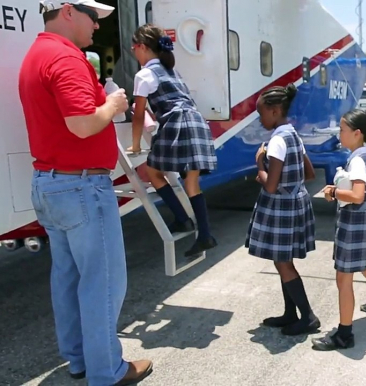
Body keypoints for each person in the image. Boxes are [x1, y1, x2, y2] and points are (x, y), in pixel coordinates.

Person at [19, 1, 152, 384]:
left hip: (49, 182)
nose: (97, 26)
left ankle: (79, 359)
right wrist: (112, 104)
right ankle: (107, 370)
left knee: (68, 277)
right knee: (103, 280)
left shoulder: (37, 54)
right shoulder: (66, 58)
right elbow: (81, 124)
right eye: (93, 17)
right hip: (81, 186)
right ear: (67, 11)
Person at [130, 23, 218, 257]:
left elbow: (138, 114)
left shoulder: (144, 74)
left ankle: (182, 219)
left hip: (178, 124)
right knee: (192, 183)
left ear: (142, 47)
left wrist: (136, 144)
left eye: (134, 48)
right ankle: (205, 234)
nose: (133, 52)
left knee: (153, 172)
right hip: (197, 123)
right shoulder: (171, 71)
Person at [245, 84, 320, 335]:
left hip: (281, 208)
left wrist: (259, 166)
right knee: (282, 262)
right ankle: (291, 313)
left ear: (275, 111)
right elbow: (309, 173)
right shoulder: (293, 135)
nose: (260, 119)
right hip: (296, 202)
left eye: (262, 113)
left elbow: (270, 186)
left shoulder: (277, 140)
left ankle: (307, 316)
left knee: (283, 263)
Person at [313, 110, 366, 350]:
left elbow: (357, 195)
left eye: (342, 130)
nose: (339, 134)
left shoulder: (357, 159)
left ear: (357, 133)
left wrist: (333, 192)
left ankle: (345, 333)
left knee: (343, 278)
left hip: (354, 222)